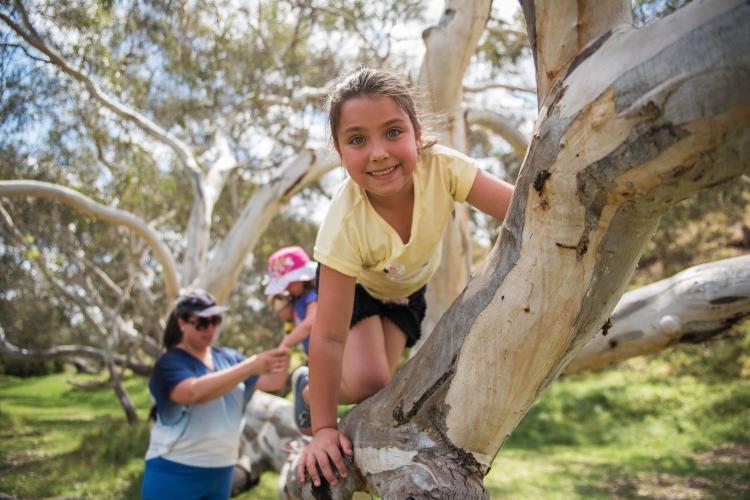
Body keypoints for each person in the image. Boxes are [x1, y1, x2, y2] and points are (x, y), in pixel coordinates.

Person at [297, 67, 515, 487]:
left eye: (392, 132)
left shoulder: (443, 169)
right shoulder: (345, 225)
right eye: (357, 140)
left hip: (407, 293)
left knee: (386, 388)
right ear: (339, 151)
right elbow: (328, 337)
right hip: (358, 289)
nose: (378, 152)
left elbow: (521, 206)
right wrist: (324, 429)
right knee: (369, 380)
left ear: (417, 132)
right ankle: (310, 395)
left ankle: (319, 392)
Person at [141, 288, 289, 500]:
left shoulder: (230, 358)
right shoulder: (170, 363)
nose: (209, 329)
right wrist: (249, 366)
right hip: (174, 472)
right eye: (201, 322)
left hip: (221, 472)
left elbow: (274, 381)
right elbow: (193, 392)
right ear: (182, 323)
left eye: (215, 320)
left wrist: (288, 343)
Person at [265, 246, 318, 358]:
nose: (286, 287)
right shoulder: (296, 299)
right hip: (312, 355)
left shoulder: (312, 296)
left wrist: (286, 344)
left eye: (289, 282)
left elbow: (310, 323)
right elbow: (290, 324)